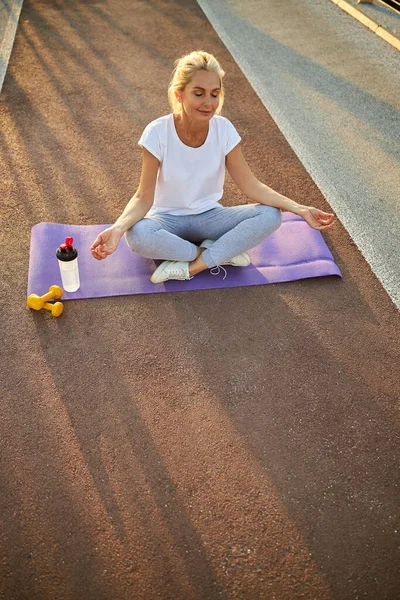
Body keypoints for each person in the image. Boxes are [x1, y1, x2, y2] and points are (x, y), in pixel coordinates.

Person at [90, 50, 336, 282]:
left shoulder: (224, 129)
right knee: (137, 235)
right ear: (179, 94)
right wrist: (118, 228)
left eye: (214, 94)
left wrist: (299, 208)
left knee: (271, 214)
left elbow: (251, 185)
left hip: (210, 217)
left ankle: (191, 266)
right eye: (198, 93)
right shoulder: (157, 132)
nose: (208, 102)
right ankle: (215, 252)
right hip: (166, 221)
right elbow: (143, 197)